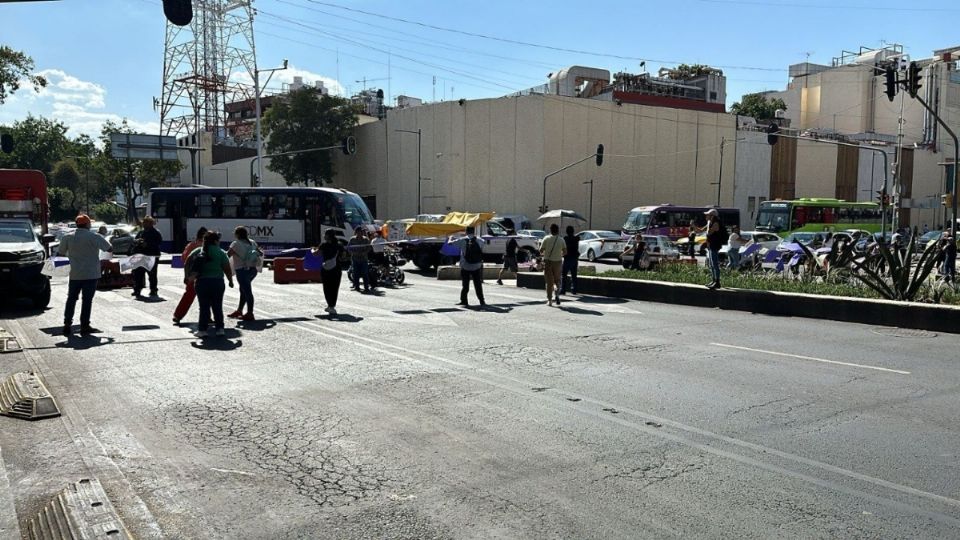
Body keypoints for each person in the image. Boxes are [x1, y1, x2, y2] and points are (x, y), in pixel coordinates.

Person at [58, 214, 113, 335]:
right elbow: (109, 248)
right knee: (87, 300)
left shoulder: (67, 237)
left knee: (71, 299)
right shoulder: (94, 236)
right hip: (91, 273)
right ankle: (85, 325)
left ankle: (67, 324)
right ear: (88, 224)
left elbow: (60, 253)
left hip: (75, 274)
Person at [188, 231, 233, 338]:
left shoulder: (198, 250)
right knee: (217, 306)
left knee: (204, 307)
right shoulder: (221, 252)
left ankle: (202, 330)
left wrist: (187, 276)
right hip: (217, 282)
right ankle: (220, 329)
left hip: (202, 283)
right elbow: (227, 268)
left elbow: (188, 261)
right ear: (216, 241)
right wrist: (230, 280)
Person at [173, 227, 208, 325]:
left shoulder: (191, 245)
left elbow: (184, 258)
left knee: (188, 296)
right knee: (207, 297)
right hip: (206, 275)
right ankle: (207, 316)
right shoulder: (208, 246)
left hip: (192, 274)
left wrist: (187, 274)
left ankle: (178, 315)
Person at [227, 226, 261, 321]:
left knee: (247, 291)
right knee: (244, 290)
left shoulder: (235, 243)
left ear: (237, 234)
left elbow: (227, 255)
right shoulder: (252, 242)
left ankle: (250, 313)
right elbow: (259, 253)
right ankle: (239, 310)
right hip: (253, 270)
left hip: (242, 270)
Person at [454, 226, 486, 307]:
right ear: (474, 231)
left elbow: (450, 243)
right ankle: (482, 301)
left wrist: (451, 238)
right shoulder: (479, 240)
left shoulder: (462, 240)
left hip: (465, 265)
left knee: (465, 285)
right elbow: (483, 245)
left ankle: (464, 301)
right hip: (476, 266)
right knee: (478, 284)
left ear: (466, 231)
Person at [315, 229, 346, 315]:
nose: (324, 236)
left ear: (328, 236)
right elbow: (344, 256)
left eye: (325, 234)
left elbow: (316, 254)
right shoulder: (339, 244)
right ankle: (332, 305)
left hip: (326, 269)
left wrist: (313, 250)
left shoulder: (324, 245)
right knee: (335, 288)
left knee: (327, 287)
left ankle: (330, 305)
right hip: (337, 268)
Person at [132, 216, 163, 297]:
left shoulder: (156, 232)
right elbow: (134, 241)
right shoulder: (141, 232)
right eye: (144, 222)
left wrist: (147, 244)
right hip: (140, 256)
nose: (144, 224)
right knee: (138, 274)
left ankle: (153, 290)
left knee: (152, 274)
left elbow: (158, 243)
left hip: (151, 256)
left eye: (146, 222)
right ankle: (137, 289)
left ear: (151, 223)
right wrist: (137, 241)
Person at [540, 223, 566, 306]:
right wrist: (559, 254)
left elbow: (540, 250)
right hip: (558, 262)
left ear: (550, 230)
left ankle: (550, 300)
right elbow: (565, 252)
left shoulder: (546, 238)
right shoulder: (561, 239)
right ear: (557, 230)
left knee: (549, 282)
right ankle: (557, 293)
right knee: (557, 280)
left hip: (548, 262)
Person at [347, 226, 372, 292]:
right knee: (355, 273)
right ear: (356, 232)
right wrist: (353, 253)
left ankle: (366, 287)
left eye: (361, 232)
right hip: (355, 259)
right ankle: (356, 287)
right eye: (358, 232)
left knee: (365, 273)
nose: (360, 233)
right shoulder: (352, 239)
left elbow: (369, 248)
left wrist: (364, 252)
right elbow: (348, 248)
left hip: (364, 259)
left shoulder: (366, 239)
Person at [704, 209, 724, 289]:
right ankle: (713, 280)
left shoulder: (715, 223)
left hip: (715, 246)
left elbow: (709, 233)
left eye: (708, 215)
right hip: (711, 246)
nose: (706, 216)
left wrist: (708, 227)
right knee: (711, 264)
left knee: (715, 264)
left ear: (712, 216)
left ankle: (717, 282)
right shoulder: (711, 223)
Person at [559, 226, 579, 295]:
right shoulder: (576, 238)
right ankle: (574, 289)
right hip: (575, 258)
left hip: (567, 258)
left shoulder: (565, 239)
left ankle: (563, 289)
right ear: (573, 231)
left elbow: (563, 248)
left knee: (564, 275)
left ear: (567, 232)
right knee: (574, 275)